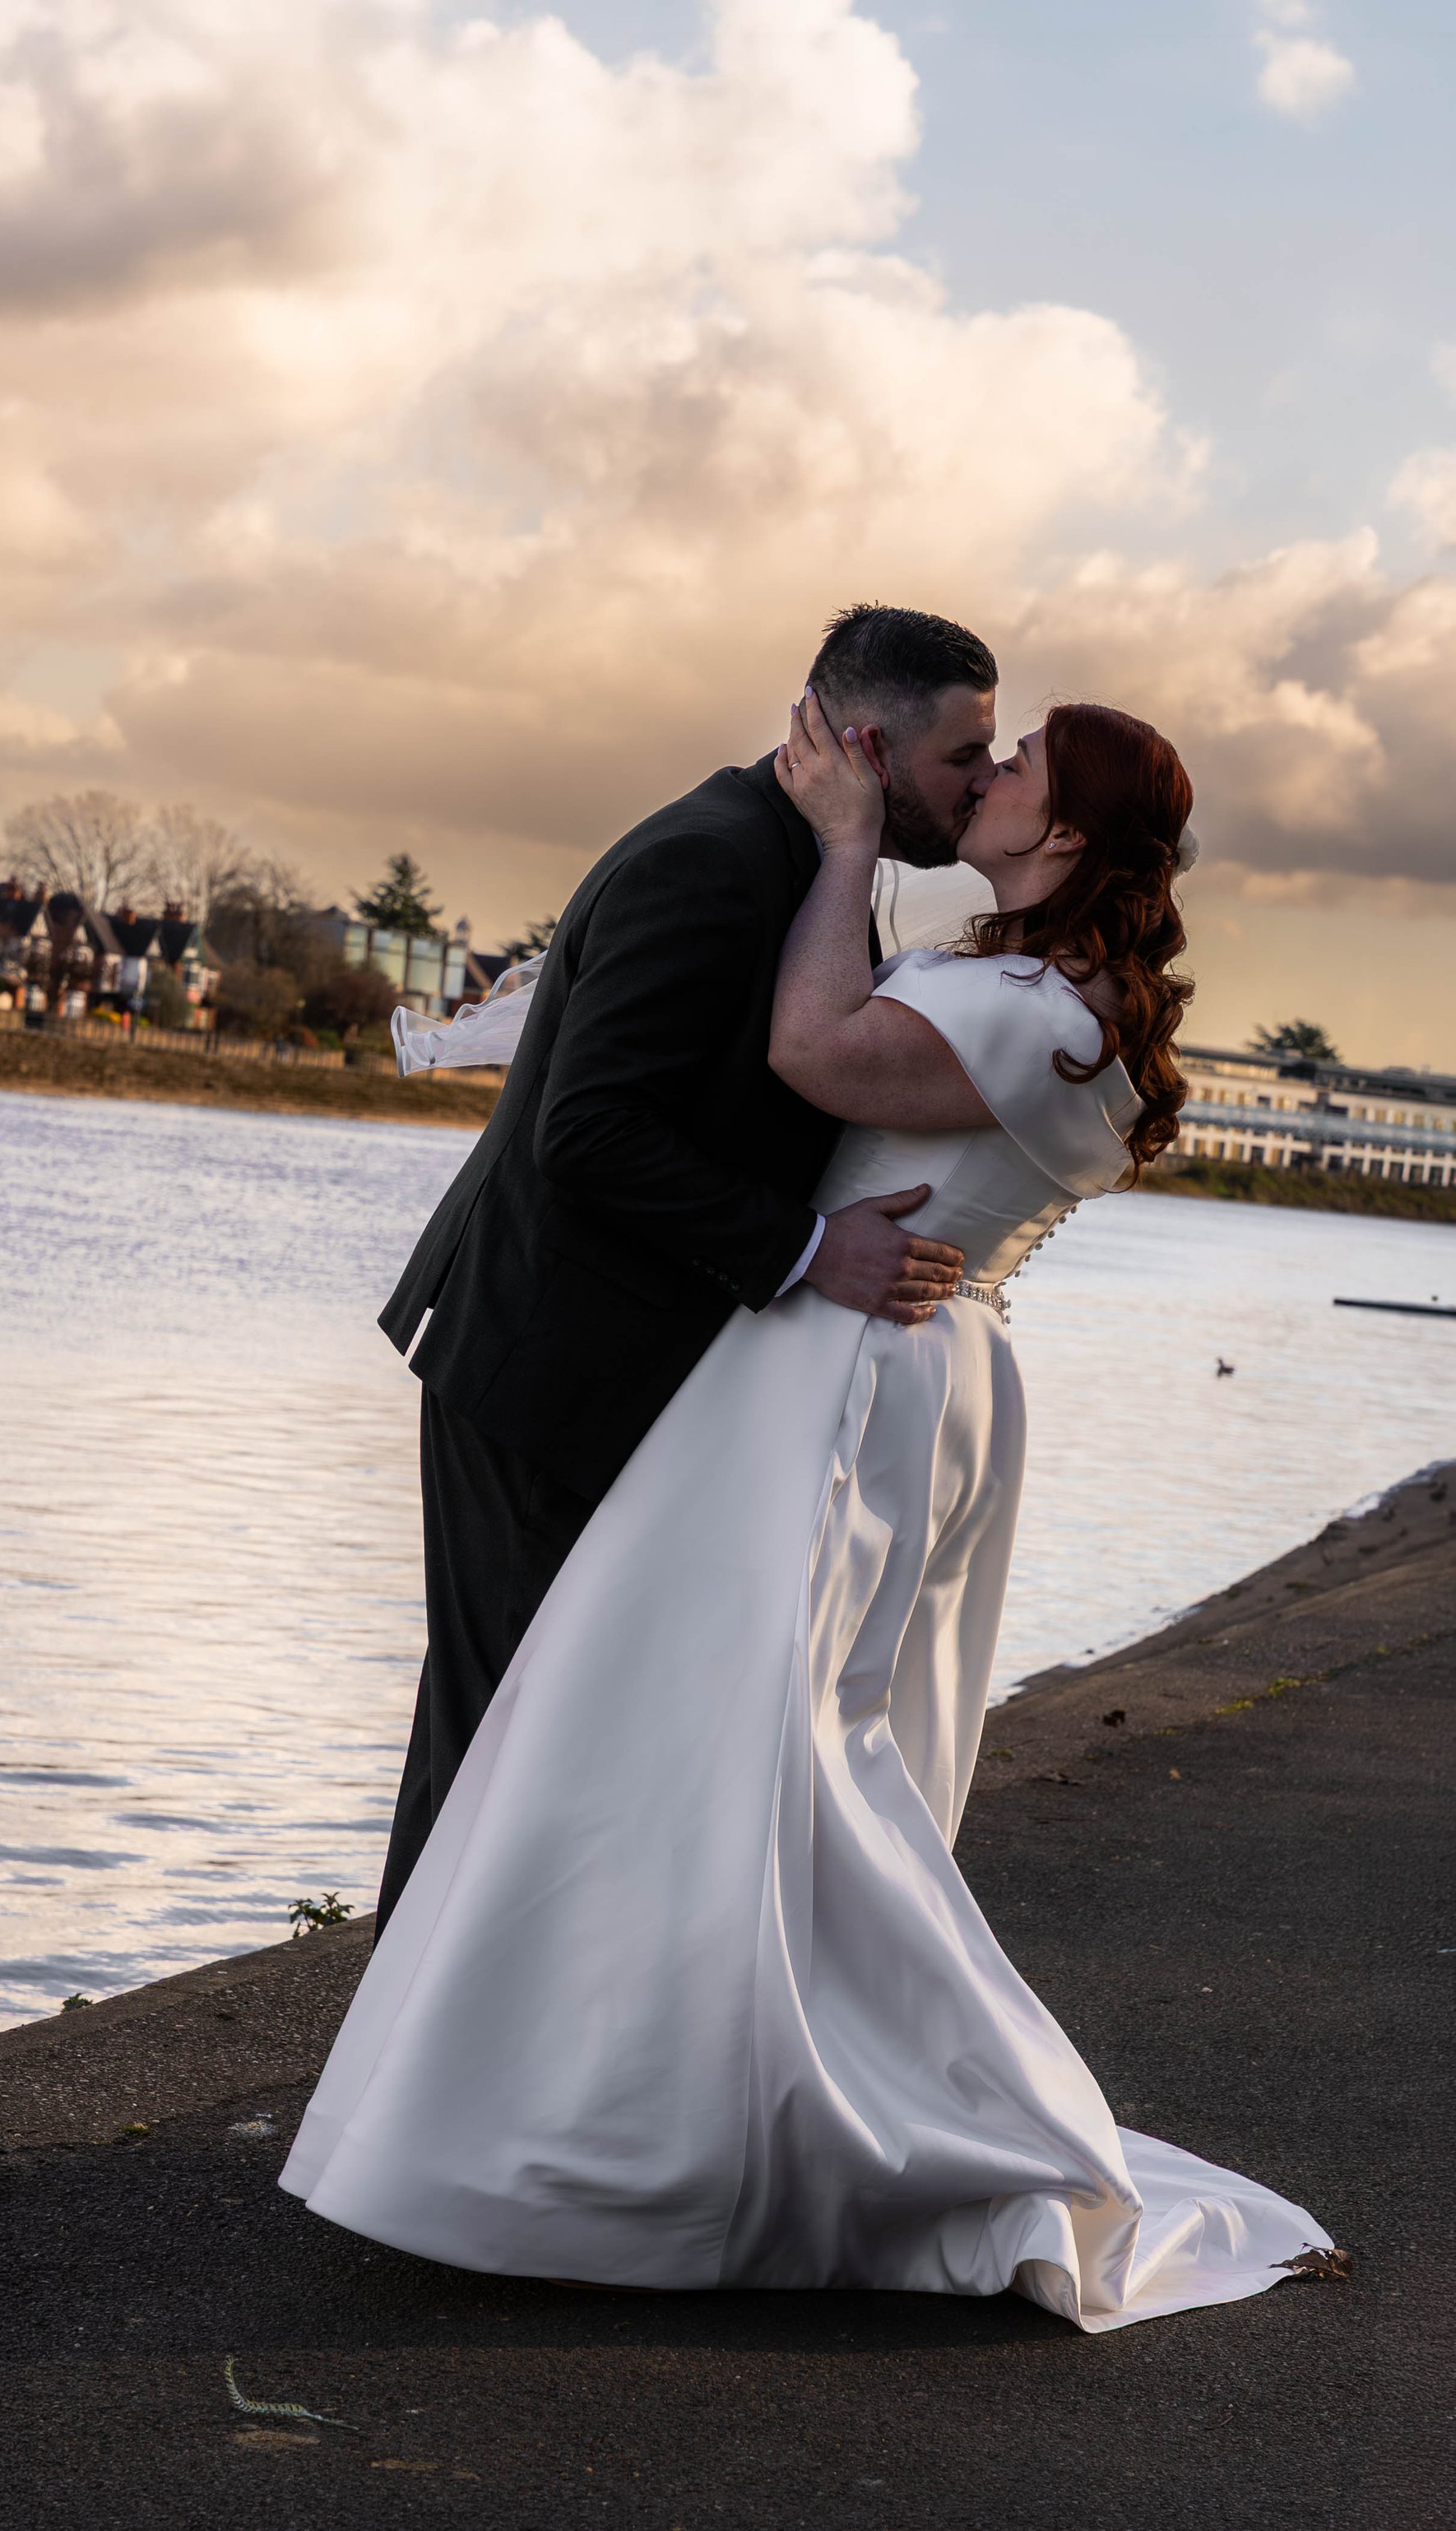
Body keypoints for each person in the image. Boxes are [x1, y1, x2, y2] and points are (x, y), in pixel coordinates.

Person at [283, 695, 1333, 2329]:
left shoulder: (1024, 1009)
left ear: (1059, 836)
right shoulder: (1036, 982)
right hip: (882, 1359)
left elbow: (802, 1049)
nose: (982, 782)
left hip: (847, 1373)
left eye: (1014, 769)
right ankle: (632, 2095)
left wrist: (845, 838)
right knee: (727, 1750)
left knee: (784, 1756)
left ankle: (780, 2122)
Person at [373, 604, 1001, 1931]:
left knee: (557, 1730)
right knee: (500, 1729)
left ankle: (471, 2074)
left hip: (628, 1362)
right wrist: (813, 1250)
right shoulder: (714, 861)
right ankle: (397, 2099)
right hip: (545, 1360)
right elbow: (588, 1130)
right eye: (967, 757)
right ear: (876, 748)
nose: (985, 785)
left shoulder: (807, 861)